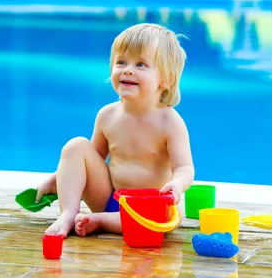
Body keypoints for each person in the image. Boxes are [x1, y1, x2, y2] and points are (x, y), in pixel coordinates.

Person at [36, 22, 194, 238]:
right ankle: (68, 214)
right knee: (76, 146)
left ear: (165, 79)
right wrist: (58, 177)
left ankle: (101, 222)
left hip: (150, 207)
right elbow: (90, 160)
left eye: (141, 64)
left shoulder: (170, 122)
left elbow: (184, 167)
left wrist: (176, 185)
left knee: (160, 221)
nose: (127, 69)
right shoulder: (107, 115)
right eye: (121, 62)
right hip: (110, 199)